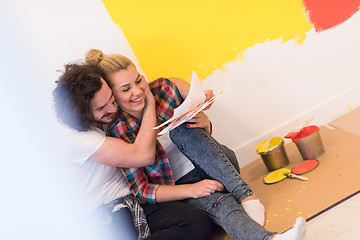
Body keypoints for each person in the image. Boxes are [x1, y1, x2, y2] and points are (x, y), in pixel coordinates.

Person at [85, 49, 306, 240]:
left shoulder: (162, 89)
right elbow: (143, 191)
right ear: (112, 96)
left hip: (218, 167)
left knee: (181, 131)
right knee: (222, 204)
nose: (137, 91)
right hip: (182, 189)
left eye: (138, 80)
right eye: (126, 89)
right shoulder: (119, 131)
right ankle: (275, 238)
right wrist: (193, 189)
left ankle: (246, 195)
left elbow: (202, 115)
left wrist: (205, 121)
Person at [52, 63, 213, 240]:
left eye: (111, 99)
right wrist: (149, 104)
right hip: (105, 213)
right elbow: (143, 155)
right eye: (101, 108)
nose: (113, 109)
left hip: (134, 201)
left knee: (197, 221)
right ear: (81, 113)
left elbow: (140, 87)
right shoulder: (79, 139)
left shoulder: (103, 113)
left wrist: (186, 90)